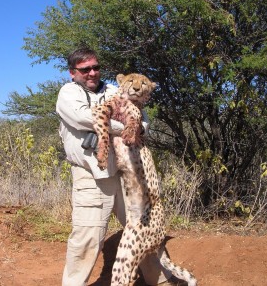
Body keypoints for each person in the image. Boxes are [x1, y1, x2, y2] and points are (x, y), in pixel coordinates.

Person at [56, 48, 178, 286]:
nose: (92, 73)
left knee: (144, 226)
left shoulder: (113, 89)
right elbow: (84, 117)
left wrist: (138, 127)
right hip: (91, 174)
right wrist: (125, 127)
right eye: (85, 69)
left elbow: (142, 121)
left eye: (96, 67)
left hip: (126, 171)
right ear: (72, 73)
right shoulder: (68, 93)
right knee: (87, 238)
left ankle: (162, 280)